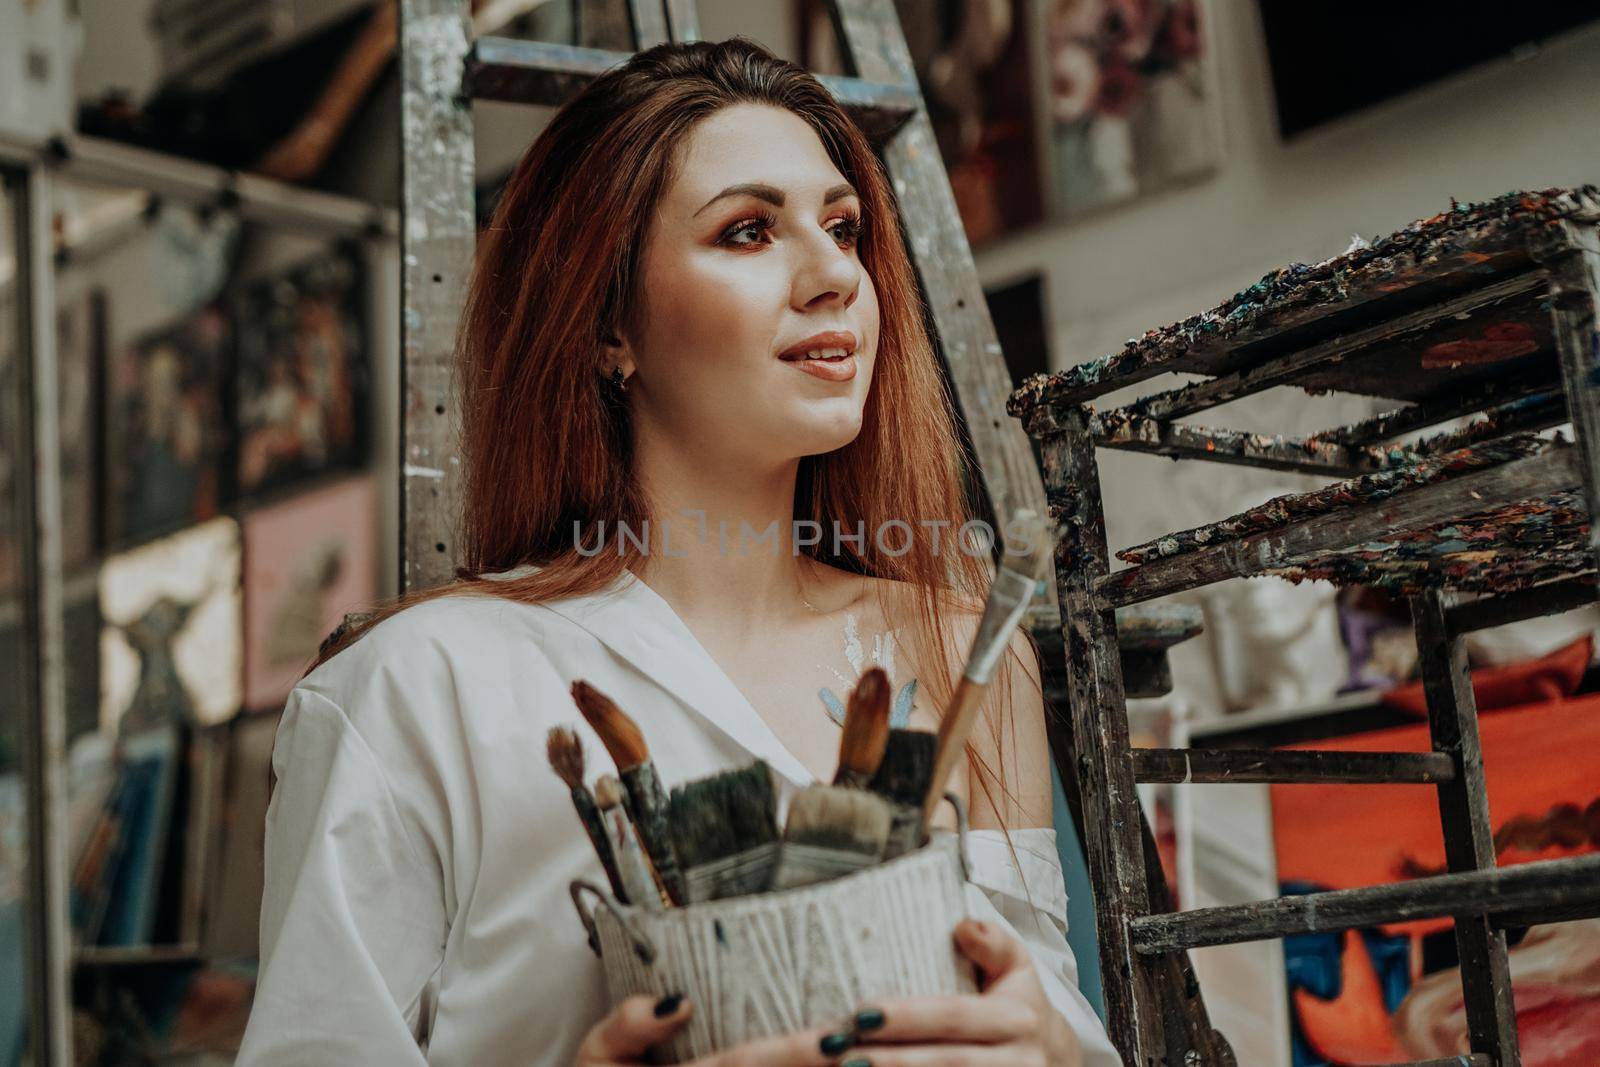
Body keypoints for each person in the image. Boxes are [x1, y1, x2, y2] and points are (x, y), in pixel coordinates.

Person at [234, 36, 1121, 1067]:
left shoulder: (961, 641)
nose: (834, 271)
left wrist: (1042, 1038)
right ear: (609, 322)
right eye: (747, 231)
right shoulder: (414, 688)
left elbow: (1052, 1007)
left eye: (842, 226)